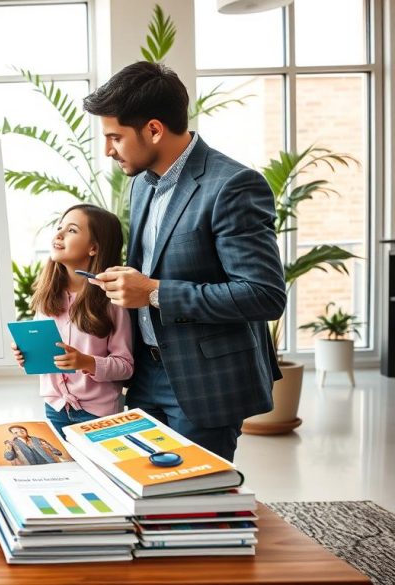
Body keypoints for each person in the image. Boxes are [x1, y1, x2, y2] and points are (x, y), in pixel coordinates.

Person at [81, 61, 286, 462]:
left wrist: (155, 292)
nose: (107, 150)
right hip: (145, 376)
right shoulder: (140, 184)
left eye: (115, 137)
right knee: (141, 495)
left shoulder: (232, 185)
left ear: (154, 129)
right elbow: (152, 271)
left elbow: (264, 295)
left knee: (194, 511)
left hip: (204, 383)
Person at [11, 204, 134, 437]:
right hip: (55, 407)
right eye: (59, 228)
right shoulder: (46, 297)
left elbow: (125, 367)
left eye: (72, 230)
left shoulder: (112, 301)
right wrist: (26, 354)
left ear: (93, 248)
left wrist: (86, 362)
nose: (59, 234)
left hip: (99, 414)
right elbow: (47, 358)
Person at [2, 425, 67, 465]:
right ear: (14, 434)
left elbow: (58, 453)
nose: (21, 431)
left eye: (22, 429)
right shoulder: (13, 444)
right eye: (16, 432)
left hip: (50, 465)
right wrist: (9, 446)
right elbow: (9, 457)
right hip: (31, 472)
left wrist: (50, 447)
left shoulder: (39, 440)